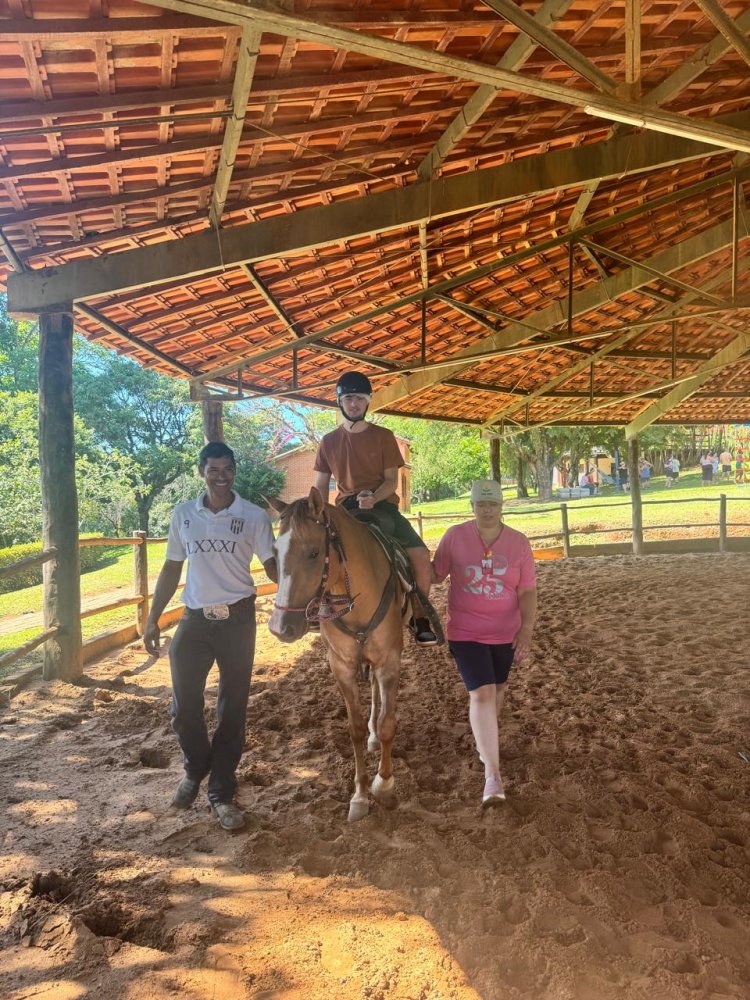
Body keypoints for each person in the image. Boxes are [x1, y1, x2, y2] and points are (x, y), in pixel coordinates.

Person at [144, 442, 277, 831]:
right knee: (183, 707)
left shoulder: (253, 516)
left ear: (235, 471)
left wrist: (301, 590)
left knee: (232, 708)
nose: (222, 476)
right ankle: (196, 767)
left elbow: (272, 566)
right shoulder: (184, 514)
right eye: (214, 469)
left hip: (238, 620)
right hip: (194, 619)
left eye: (228, 469)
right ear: (202, 471)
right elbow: (171, 567)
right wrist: (153, 617)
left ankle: (220, 790)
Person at [432, 480, 537, 807]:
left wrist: (526, 630)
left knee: (500, 690)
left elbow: (527, 591)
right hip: (466, 630)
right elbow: (435, 575)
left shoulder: (519, 543)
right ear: (473, 507)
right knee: (483, 692)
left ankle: (485, 743)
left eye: (493, 505)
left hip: (506, 631)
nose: (487, 510)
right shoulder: (454, 536)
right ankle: (493, 775)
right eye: (481, 505)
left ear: (501, 507)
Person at [313, 371, 437, 645]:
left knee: (420, 556)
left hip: (383, 508)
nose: (353, 403)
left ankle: (419, 615)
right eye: (348, 398)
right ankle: (317, 607)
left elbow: (392, 481)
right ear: (340, 402)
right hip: (346, 511)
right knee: (315, 553)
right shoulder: (328, 442)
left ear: (368, 402)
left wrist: (374, 497)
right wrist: (319, 514)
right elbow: (320, 485)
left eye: (359, 398)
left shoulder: (383, 436)